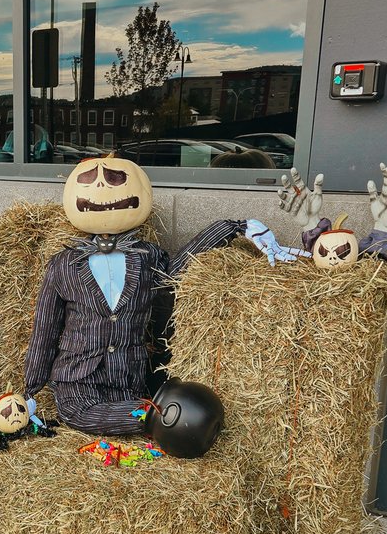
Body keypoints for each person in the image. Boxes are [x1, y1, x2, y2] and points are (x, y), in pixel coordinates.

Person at [24, 155, 304, 434]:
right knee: (82, 417)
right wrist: (30, 390)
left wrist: (236, 227)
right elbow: (45, 329)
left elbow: (181, 267)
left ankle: (152, 414)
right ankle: (154, 416)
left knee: (154, 412)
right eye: (91, 183)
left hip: (127, 377)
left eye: (114, 181)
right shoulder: (63, 264)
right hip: (77, 380)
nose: (102, 192)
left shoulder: (147, 257)